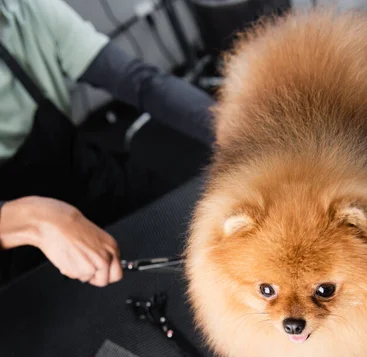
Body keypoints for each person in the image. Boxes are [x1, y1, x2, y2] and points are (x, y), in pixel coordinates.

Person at [0, 0, 215, 286]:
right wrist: (35, 219)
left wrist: (233, 127)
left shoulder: (27, 9)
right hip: (13, 249)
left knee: (190, 227)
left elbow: (141, 82)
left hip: (79, 173)